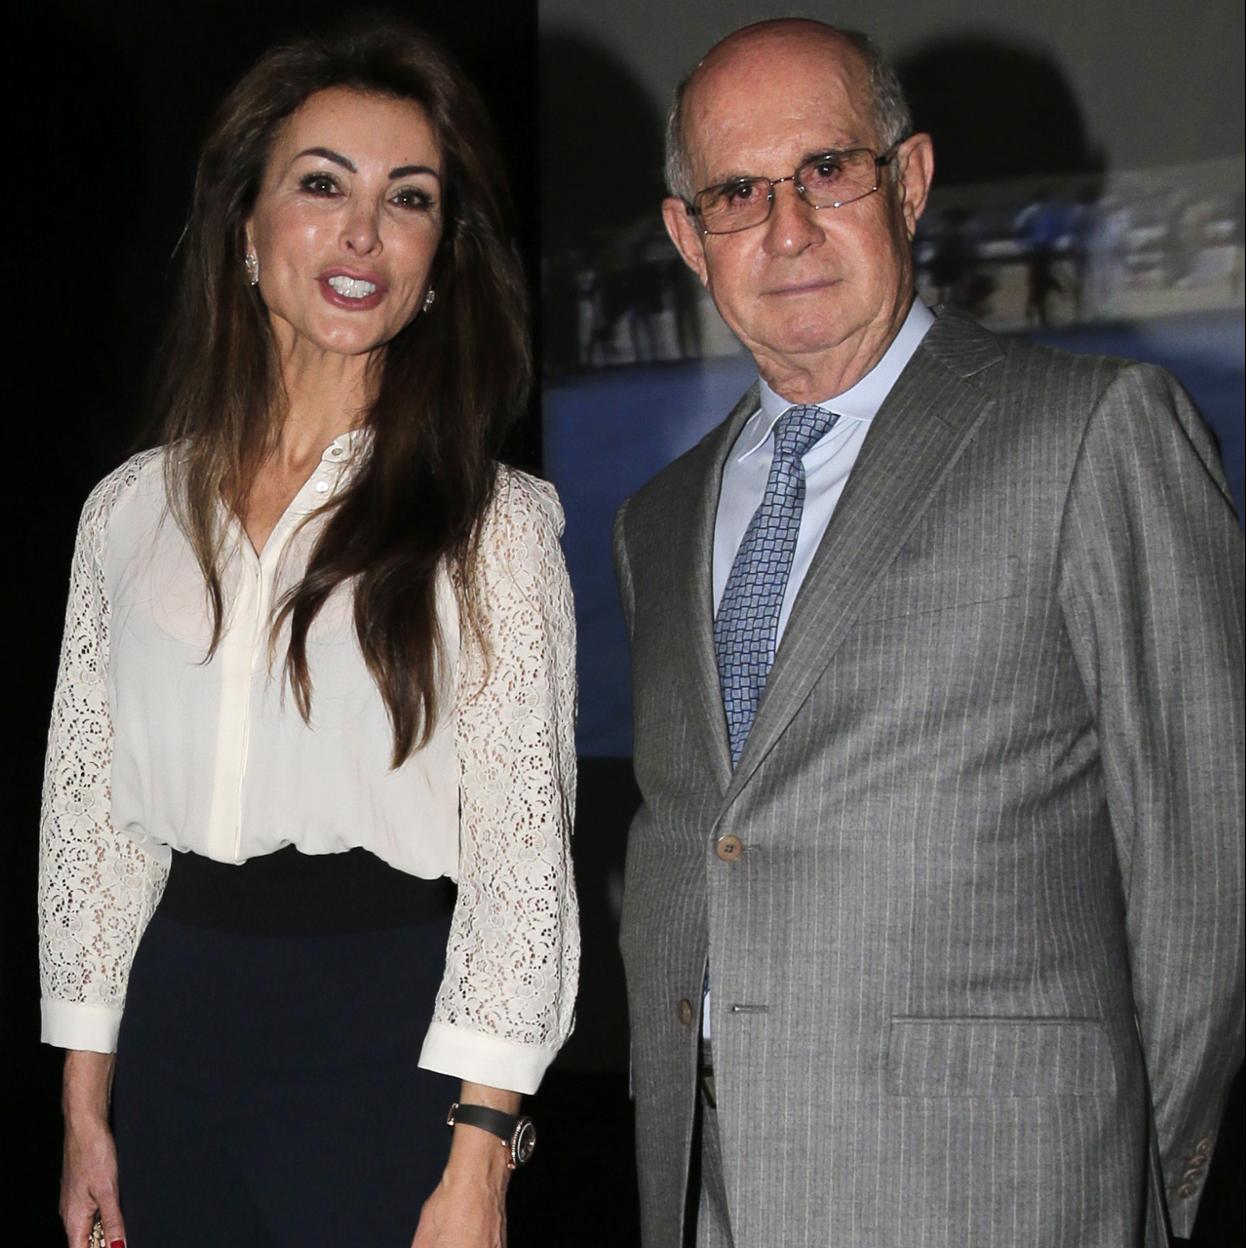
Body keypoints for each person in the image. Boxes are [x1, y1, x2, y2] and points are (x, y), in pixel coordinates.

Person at [613, 19, 1242, 1248]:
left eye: (827, 171)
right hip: (715, 1196)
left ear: (907, 180)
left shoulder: (1089, 434)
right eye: (739, 192)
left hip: (1004, 1198)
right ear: (688, 236)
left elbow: (1207, 863)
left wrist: (1123, 1183)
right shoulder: (659, 517)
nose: (787, 228)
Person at [38, 20, 578, 1248]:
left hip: (388, 1038)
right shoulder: (128, 511)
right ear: (246, 227)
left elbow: (521, 870)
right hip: (176, 1032)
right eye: (323, 185)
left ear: (439, 259)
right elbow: (92, 827)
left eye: (409, 200)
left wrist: (480, 1159)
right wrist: (83, 1108)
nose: (363, 233)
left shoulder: (492, 525)